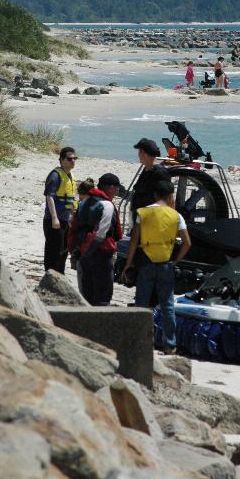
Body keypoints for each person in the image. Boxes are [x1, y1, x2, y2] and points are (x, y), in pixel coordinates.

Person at [123, 179, 191, 355]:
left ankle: (140, 341)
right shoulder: (176, 216)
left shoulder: (143, 213)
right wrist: (175, 261)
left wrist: (128, 263)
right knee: (167, 305)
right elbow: (187, 243)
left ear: (154, 194)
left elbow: (134, 240)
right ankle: (170, 344)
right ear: (171, 196)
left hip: (145, 262)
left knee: (142, 304)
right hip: (166, 264)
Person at [71, 173, 123, 305]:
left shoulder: (83, 203)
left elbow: (73, 229)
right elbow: (100, 233)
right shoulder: (107, 205)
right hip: (101, 254)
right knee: (103, 296)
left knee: (87, 294)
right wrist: (88, 252)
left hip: (82, 253)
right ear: (110, 188)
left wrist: (75, 252)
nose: (118, 191)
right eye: (117, 188)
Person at [43, 147, 77, 273]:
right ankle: (50, 277)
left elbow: (71, 199)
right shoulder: (55, 175)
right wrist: (54, 218)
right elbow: (49, 197)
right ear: (62, 160)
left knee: (63, 251)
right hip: (54, 221)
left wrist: (73, 215)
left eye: (75, 158)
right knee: (53, 251)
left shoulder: (71, 176)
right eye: (69, 159)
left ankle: (60, 276)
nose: (73, 161)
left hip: (66, 220)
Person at [130, 138, 171, 216]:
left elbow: (169, 198)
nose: (138, 155)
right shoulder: (146, 169)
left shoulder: (160, 172)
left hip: (152, 219)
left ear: (144, 154)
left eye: (139, 151)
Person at [69, 178, 95, 290]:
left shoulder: (87, 205)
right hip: (88, 241)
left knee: (83, 273)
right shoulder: (94, 203)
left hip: (83, 240)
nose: (79, 198)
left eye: (80, 195)